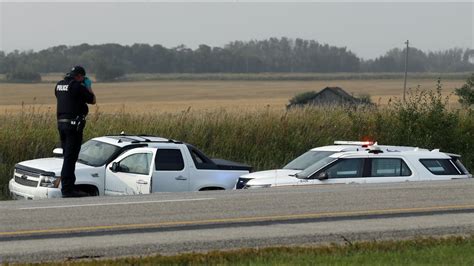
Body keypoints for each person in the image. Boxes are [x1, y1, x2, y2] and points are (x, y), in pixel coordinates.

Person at [54, 66, 96, 197]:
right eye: (83, 78)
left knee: (67, 157)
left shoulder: (59, 85)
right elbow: (93, 100)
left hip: (61, 125)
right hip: (73, 126)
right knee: (70, 158)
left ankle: (68, 186)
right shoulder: (77, 86)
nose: (83, 80)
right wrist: (87, 86)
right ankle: (67, 189)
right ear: (79, 76)